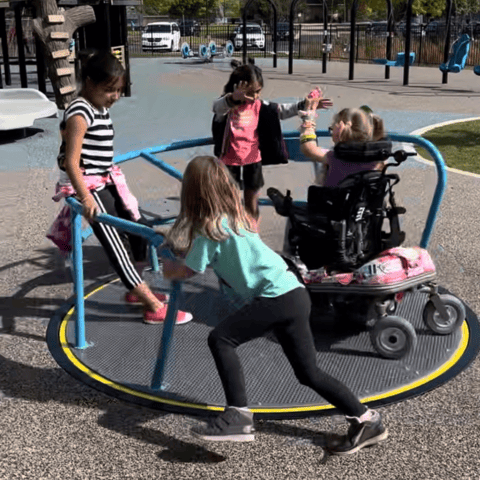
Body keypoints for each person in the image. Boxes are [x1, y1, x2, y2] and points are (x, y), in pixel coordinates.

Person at [162, 155, 388, 455]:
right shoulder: (236, 216)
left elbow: (189, 269)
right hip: (294, 293)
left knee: (221, 338)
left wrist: (167, 268)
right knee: (308, 373)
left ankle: (238, 417)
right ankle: (366, 420)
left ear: (192, 192)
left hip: (275, 298)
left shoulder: (208, 230)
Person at [47, 50, 191, 325]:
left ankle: (135, 291)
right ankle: (150, 304)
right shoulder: (80, 112)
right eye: (109, 90)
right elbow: (72, 163)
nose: (115, 97)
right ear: (89, 83)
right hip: (88, 184)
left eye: (119, 90)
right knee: (115, 244)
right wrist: (86, 197)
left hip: (107, 179)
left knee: (139, 228)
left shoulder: (99, 107)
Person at [212, 59, 332, 220]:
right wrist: (233, 98)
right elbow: (216, 108)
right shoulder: (228, 106)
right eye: (251, 92)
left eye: (258, 91)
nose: (255, 96)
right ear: (237, 88)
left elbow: (281, 110)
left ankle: (252, 231)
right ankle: (231, 234)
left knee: (251, 202)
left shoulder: (258, 105)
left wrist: (305, 104)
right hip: (229, 160)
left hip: (252, 159)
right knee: (228, 202)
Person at [299, 93, 386, 187]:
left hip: (334, 201)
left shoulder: (334, 157)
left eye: (332, 129)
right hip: (365, 201)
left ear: (339, 132)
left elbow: (309, 148)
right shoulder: (378, 160)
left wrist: (308, 120)